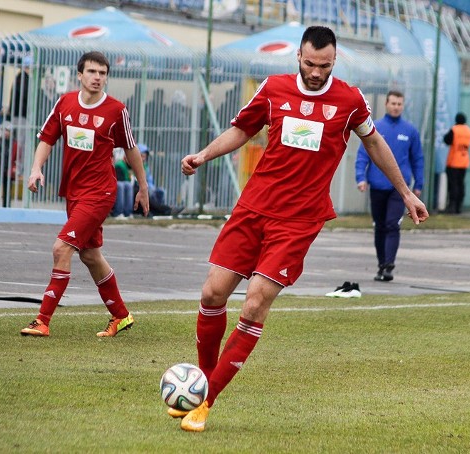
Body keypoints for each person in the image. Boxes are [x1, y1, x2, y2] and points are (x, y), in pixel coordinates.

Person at [173, 26, 428, 432]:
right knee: (212, 292)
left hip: (299, 220)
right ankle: (201, 382)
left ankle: (207, 401)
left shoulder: (349, 100)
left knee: (255, 302)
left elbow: (376, 144)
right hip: (254, 207)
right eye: (309, 63)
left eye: (324, 65)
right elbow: (242, 129)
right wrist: (203, 155)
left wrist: (407, 192)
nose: (315, 71)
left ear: (335, 59)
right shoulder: (273, 89)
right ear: (298, 56)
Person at [20, 51, 150, 338]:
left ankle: (42, 320)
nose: (97, 78)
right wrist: (35, 168)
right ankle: (121, 315)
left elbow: (131, 150)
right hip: (75, 192)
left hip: (100, 192)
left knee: (61, 248)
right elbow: (47, 137)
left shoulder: (116, 110)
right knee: (90, 255)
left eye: (102, 73)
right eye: (92, 72)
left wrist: (142, 186)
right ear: (79, 74)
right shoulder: (65, 102)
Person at [355, 90, 424, 282]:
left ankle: (389, 264)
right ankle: (381, 264)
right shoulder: (375, 127)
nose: (396, 107)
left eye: (399, 104)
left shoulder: (410, 131)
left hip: (398, 188)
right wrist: (361, 177)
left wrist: (418, 183)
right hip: (377, 185)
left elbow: (417, 158)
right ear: (386, 104)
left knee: (393, 224)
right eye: (393, 103)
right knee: (380, 226)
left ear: (403, 106)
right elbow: (363, 155)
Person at [132, 143, 183, 217]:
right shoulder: (132, 165)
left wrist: (151, 187)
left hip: (147, 188)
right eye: (142, 156)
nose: (143, 159)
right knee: (146, 194)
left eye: (145, 157)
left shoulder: (145, 167)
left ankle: (161, 211)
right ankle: (167, 210)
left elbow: (150, 180)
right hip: (138, 189)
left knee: (159, 191)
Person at [5, 54, 31, 178]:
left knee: (19, 143)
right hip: (21, 116)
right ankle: (19, 169)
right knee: (21, 144)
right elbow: (26, 98)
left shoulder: (19, 78)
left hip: (18, 115)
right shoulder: (23, 80)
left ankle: (16, 168)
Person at [443, 112, 470, 214]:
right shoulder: (469, 130)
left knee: (453, 185)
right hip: (464, 161)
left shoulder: (454, 129)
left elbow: (447, 140)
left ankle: (452, 206)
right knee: (461, 184)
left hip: (453, 161)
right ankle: (459, 207)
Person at [0, 122, 18, 207]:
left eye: (8, 131)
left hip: (8, 172)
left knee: (7, 193)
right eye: (5, 130)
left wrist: (15, 167)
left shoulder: (14, 144)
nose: (6, 132)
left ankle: (6, 209)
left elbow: (17, 157)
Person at [111, 152, 134, 218]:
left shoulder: (130, 166)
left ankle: (128, 213)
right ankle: (118, 212)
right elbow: (118, 179)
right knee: (121, 185)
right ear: (125, 158)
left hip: (128, 186)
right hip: (114, 184)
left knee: (128, 185)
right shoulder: (119, 165)